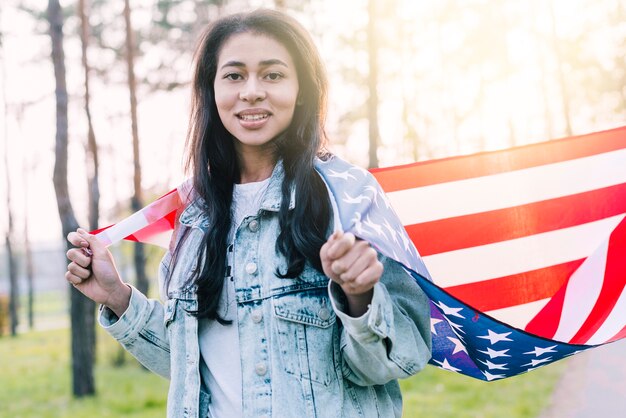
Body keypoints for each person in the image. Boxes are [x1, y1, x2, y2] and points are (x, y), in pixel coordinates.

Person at [65, 9, 431, 418]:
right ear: (211, 89)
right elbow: (192, 366)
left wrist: (359, 297)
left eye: (272, 75)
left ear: (303, 89)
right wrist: (115, 296)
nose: (252, 91)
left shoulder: (347, 197)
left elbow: (398, 360)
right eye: (234, 75)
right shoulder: (194, 217)